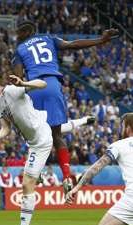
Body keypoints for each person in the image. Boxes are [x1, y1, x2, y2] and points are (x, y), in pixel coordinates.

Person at [12, 20, 117, 194]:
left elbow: (18, 79)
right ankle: (67, 176)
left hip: (33, 88)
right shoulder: (48, 38)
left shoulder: (20, 49)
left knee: (35, 134)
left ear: (23, 33)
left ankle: (34, 171)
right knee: (57, 135)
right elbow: (73, 45)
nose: (17, 36)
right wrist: (101, 40)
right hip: (52, 86)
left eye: (18, 33)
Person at [0, 70, 52, 225]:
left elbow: (43, 84)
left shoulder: (13, 90)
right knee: (27, 182)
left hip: (42, 139)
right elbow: (6, 129)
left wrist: (24, 84)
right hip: (33, 143)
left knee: (27, 183)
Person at [66, 113, 133, 225]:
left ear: (127, 128)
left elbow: (96, 167)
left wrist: (77, 187)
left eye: (122, 125)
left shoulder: (119, 145)